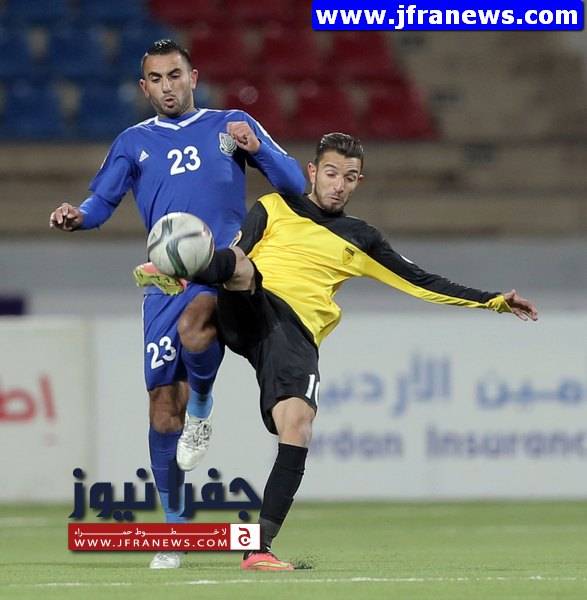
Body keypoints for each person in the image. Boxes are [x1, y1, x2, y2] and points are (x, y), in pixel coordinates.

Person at [156, 132, 538, 571]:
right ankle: (197, 389)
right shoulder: (273, 206)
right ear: (313, 172)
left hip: (293, 333)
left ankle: (258, 548)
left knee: (298, 426)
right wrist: (196, 271)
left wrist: (492, 300)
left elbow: (423, 282)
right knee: (234, 271)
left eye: (350, 178)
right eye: (332, 173)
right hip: (251, 304)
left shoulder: (362, 238)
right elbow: (234, 257)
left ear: (358, 182)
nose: (339, 185)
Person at [48, 39, 305, 570]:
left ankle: (203, 406)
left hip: (224, 271)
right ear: (144, 87)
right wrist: (78, 215)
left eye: (175, 75)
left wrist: (256, 148)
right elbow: (101, 203)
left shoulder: (230, 124)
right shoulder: (133, 142)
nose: (167, 87)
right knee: (164, 406)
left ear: (194, 78)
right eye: (156, 79)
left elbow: (296, 183)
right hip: (164, 281)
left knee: (196, 323)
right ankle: (175, 528)